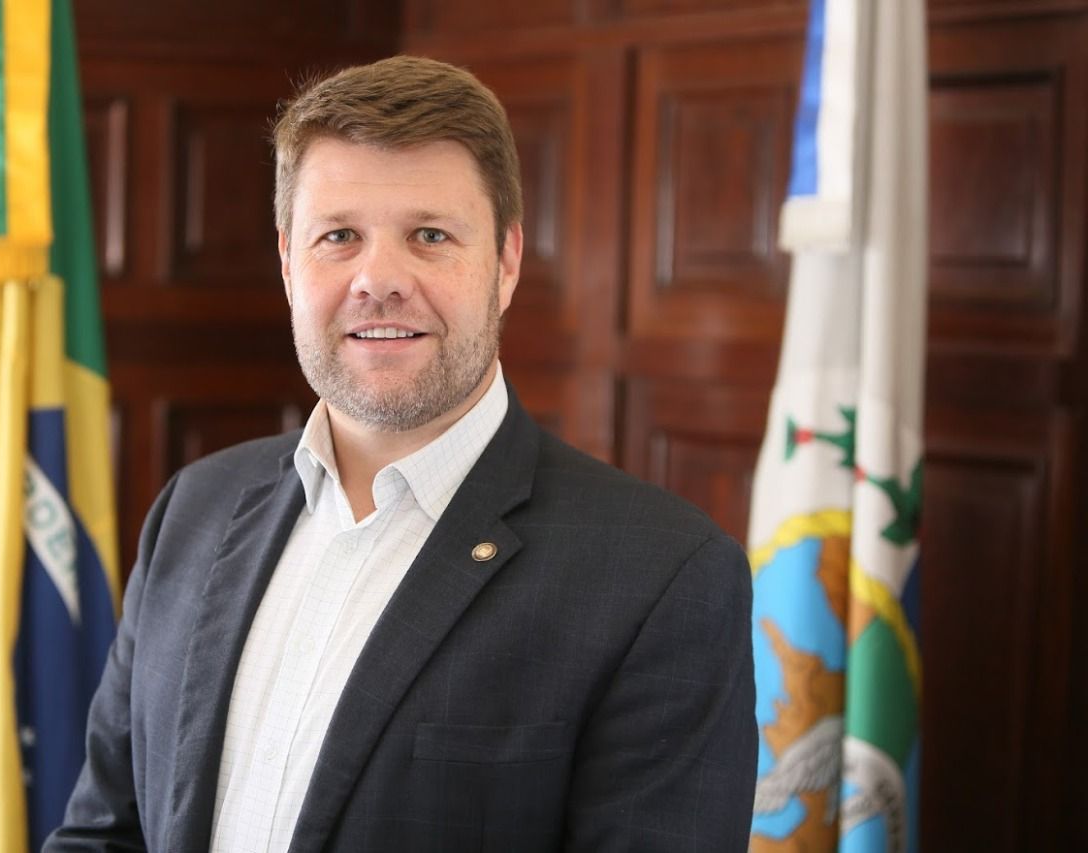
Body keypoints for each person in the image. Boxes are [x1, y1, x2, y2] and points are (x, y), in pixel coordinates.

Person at [47, 55, 756, 852]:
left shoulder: (662, 578)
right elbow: (103, 834)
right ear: (288, 263)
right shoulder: (193, 510)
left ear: (506, 262)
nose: (378, 279)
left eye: (430, 235)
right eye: (338, 236)